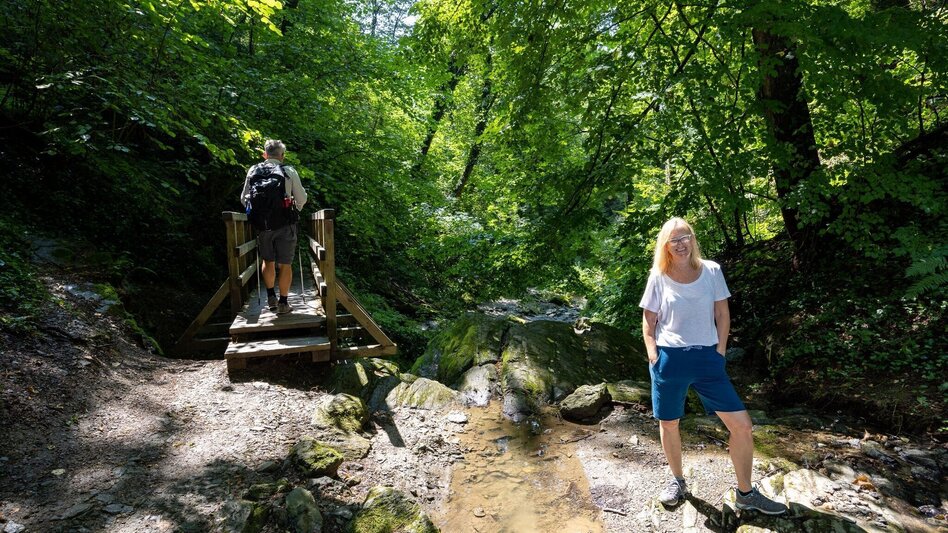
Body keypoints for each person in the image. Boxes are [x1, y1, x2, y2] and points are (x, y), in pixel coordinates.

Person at [640, 217, 787, 515]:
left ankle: (746, 492)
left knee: (743, 427)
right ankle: (678, 482)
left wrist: (720, 351)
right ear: (665, 246)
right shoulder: (658, 275)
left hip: (708, 360)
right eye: (674, 240)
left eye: (686, 237)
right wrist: (653, 355)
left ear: (693, 239)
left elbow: (722, 313)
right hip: (670, 359)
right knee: (669, 423)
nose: (681, 244)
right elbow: (649, 320)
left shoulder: (712, 271)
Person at [240, 139, 307, 314]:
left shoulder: (253, 170)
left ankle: (271, 297)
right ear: (282, 156)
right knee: (285, 263)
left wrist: (258, 215)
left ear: (265, 154)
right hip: (286, 224)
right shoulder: (288, 171)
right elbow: (302, 199)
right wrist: (293, 208)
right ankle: (284, 303)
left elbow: (244, 198)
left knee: (267, 260)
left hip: (263, 226)